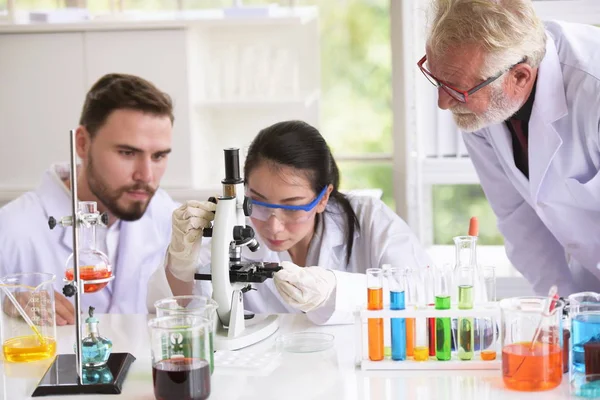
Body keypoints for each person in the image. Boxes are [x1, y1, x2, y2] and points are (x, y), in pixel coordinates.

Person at [147, 120, 431, 325]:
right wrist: (181, 264)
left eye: (293, 207)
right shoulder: (233, 226)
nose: (273, 226)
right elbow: (178, 311)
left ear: (323, 198)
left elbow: (420, 291)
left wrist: (334, 290)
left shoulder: (367, 218)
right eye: (257, 202)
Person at [421, 0, 600, 296]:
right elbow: (518, 216)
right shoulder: (478, 105)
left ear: (519, 77)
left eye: (455, 88)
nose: (443, 102)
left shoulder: (592, 87)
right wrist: (559, 308)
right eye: (437, 80)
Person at [0, 73, 179, 323]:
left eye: (158, 156)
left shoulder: (168, 216)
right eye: (127, 152)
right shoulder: (10, 230)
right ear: (82, 144)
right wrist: (6, 307)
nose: (146, 176)